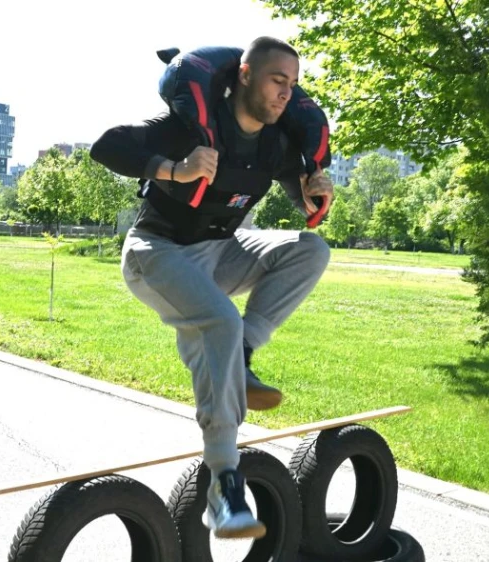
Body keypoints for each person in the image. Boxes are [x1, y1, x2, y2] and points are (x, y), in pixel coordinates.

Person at [90, 36, 333, 539]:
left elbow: (298, 192)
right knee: (219, 318)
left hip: (220, 251)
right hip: (156, 252)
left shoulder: (277, 143)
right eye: (276, 80)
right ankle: (223, 484)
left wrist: (313, 192)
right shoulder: (189, 128)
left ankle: (239, 355)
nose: (285, 93)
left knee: (311, 250)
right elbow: (107, 145)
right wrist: (174, 169)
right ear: (245, 75)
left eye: (292, 84)